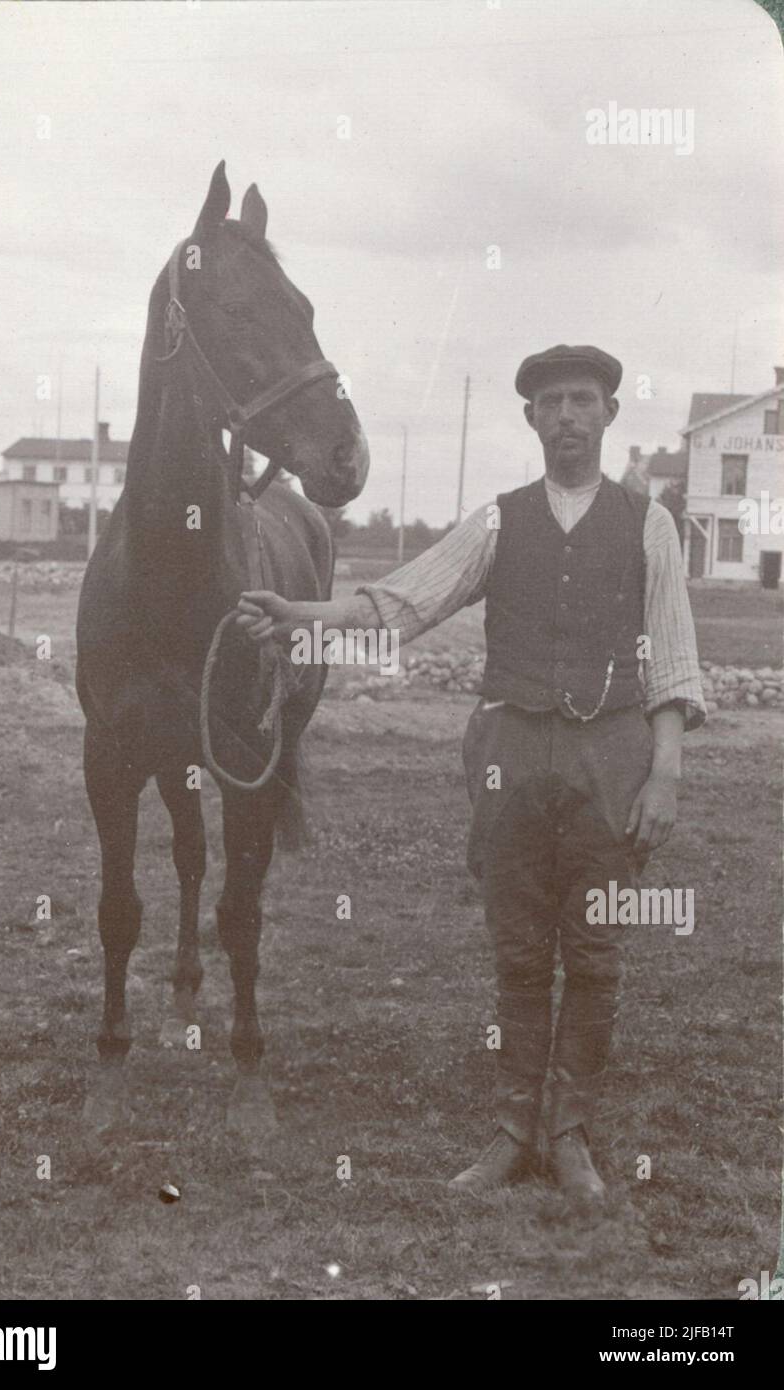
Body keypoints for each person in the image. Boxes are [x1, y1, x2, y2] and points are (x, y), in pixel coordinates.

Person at [236, 344, 705, 1206]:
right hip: (508, 758)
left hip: (612, 755)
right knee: (519, 950)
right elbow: (404, 602)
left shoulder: (650, 525)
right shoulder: (497, 520)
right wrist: (300, 615)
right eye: (550, 403)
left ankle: (568, 1137)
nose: (566, 417)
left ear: (607, 414)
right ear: (530, 419)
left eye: (581, 401)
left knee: (595, 951)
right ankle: (512, 1130)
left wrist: (664, 773)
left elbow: (672, 657)